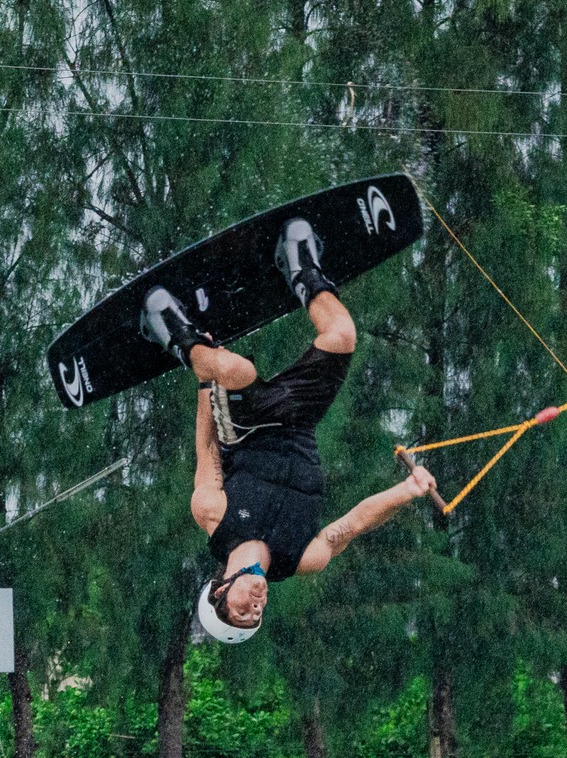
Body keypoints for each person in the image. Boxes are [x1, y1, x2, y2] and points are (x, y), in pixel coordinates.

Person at [140, 218, 439, 644]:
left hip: (247, 427)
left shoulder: (214, 517)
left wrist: (206, 383)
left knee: (236, 368)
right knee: (341, 335)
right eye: (255, 615)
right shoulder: (303, 558)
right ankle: (300, 269)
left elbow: (206, 449)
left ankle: (175, 333)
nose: (255, 606)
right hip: (300, 421)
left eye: (242, 609)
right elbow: (351, 526)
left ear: (219, 591)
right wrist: (407, 491)